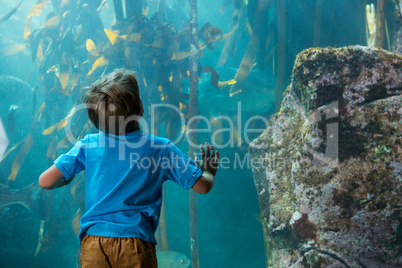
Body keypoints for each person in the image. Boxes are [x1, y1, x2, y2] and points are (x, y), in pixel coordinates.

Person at [38, 69, 219, 268]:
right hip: (136, 243)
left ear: (95, 120)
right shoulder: (161, 148)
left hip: (94, 243)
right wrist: (208, 170)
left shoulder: (87, 144)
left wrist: (67, 177)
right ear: (141, 109)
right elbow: (202, 187)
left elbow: (45, 181)